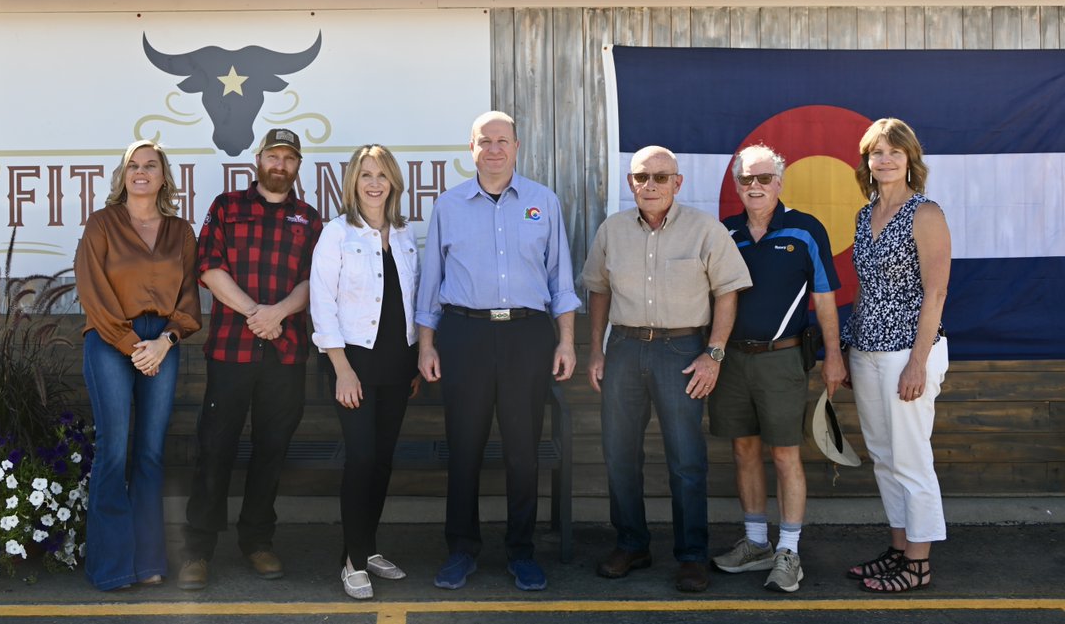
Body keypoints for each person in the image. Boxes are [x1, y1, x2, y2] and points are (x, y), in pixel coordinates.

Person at [416, 110, 580, 593]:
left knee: (523, 451)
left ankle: (521, 551)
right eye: (483, 141)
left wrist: (567, 340)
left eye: (501, 140)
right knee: (463, 447)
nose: (493, 149)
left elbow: (560, 280)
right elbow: (430, 285)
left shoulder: (542, 202)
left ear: (517, 145)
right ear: (471, 149)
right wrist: (426, 344)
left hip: (527, 337)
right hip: (463, 335)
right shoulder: (449, 206)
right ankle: (461, 549)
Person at [582, 146, 751, 593]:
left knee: (686, 460)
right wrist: (596, 350)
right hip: (623, 348)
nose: (650, 185)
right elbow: (597, 290)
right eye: (642, 177)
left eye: (661, 177)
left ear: (678, 183)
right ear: (630, 183)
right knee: (619, 455)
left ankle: (691, 556)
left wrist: (713, 353)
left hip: (683, 352)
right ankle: (631, 543)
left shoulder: (705, 230)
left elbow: (728, 293)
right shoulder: (612, 230)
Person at [177, 127, 322, 591]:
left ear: (298, 166)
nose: (280, 165)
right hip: (230, 350)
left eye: (289, 158)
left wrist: (277, 313)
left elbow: (312, 282)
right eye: (273, 156)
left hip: (286, 353)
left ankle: (257, 541)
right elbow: (209, 268)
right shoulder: (226, 207)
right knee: (215, 448)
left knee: (271, 451)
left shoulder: (309, 218)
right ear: (258, 160)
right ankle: (198, 550)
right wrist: (257, 313)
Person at [709, 144, 844, 593]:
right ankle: (755, 544)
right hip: (731, 361)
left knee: (785, 454)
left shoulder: (805, 230)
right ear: (736, 186)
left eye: (764, 178)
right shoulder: (724, 232)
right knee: (744, 451)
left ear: (780, 182)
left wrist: (833, 357)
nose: (755, 186)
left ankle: (789, 551)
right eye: (746, 179)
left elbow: (824, 299)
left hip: (783, 359)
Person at [74, 139, 202, 591]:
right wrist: (133, 345)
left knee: (149, 452)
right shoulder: (102, 224)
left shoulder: (180, 231)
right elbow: (92, 292)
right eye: (134, 165)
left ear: (164, 176)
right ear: (123, 175)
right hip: (111, 340)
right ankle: (111, 566)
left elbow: (188, 301)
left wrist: (164, 342)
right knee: (113, 449)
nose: (142, 171)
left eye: (151, 165)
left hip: (163, 343)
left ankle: (148, 562)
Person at [842, 118, 950, 594]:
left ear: (910, 160)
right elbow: (867, 289)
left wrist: (917, 362)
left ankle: (919, 564)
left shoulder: (925, 213)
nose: (884, 160)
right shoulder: (866, 215)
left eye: (894, 152)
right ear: (866, 161)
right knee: (885, 459)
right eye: (876, 152)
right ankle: (900, 548)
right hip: (866, 350)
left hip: (908, 350)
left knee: (911, 459)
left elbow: (936, 292)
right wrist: (850, 347)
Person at [309, 144, 421, 600]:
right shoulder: (336, 233)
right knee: (360, 459)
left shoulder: (405, 232)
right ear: (353, 183)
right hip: (352, 363)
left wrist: (413, 362)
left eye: (382, 175)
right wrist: (342, 369)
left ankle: (367, 546)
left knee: (383, 461)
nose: (374, 183)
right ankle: (352, 560)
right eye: (365, 175)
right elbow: (322, 302)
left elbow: (409, 301)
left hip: (398, 364)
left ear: (393, 181)